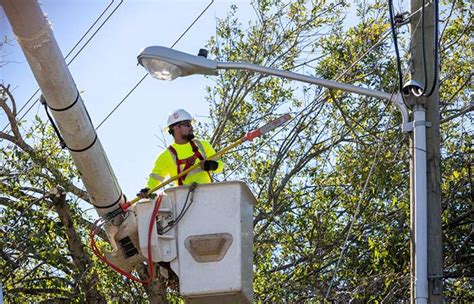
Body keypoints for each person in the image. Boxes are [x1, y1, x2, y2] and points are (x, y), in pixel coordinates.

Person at [138, 109, 223, 197]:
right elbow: (154, 179)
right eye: (187, 125)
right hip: (182, 202)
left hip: (208, 195)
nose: (191, 128)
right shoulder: (165, 156)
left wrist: (213, 165)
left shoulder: (203, 145)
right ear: (175, 128)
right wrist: (147, 190)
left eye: (190, 124)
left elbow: (220, 166)